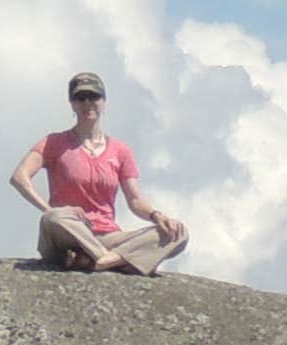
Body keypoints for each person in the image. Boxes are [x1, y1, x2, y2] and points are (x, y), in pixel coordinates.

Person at [12, 71, 190, 272]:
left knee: (178, 232)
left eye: (94, 96)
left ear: (104, 102)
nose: (88, 103)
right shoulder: (54, 143)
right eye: (81, 98)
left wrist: (157, 216)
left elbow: (135, 200)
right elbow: (19, 177)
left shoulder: (120, 150)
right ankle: (117, 260)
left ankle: (100, 260)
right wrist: (49, 209)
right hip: (68, 233)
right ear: (72, 103)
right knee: (53, 219)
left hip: (108, 236)